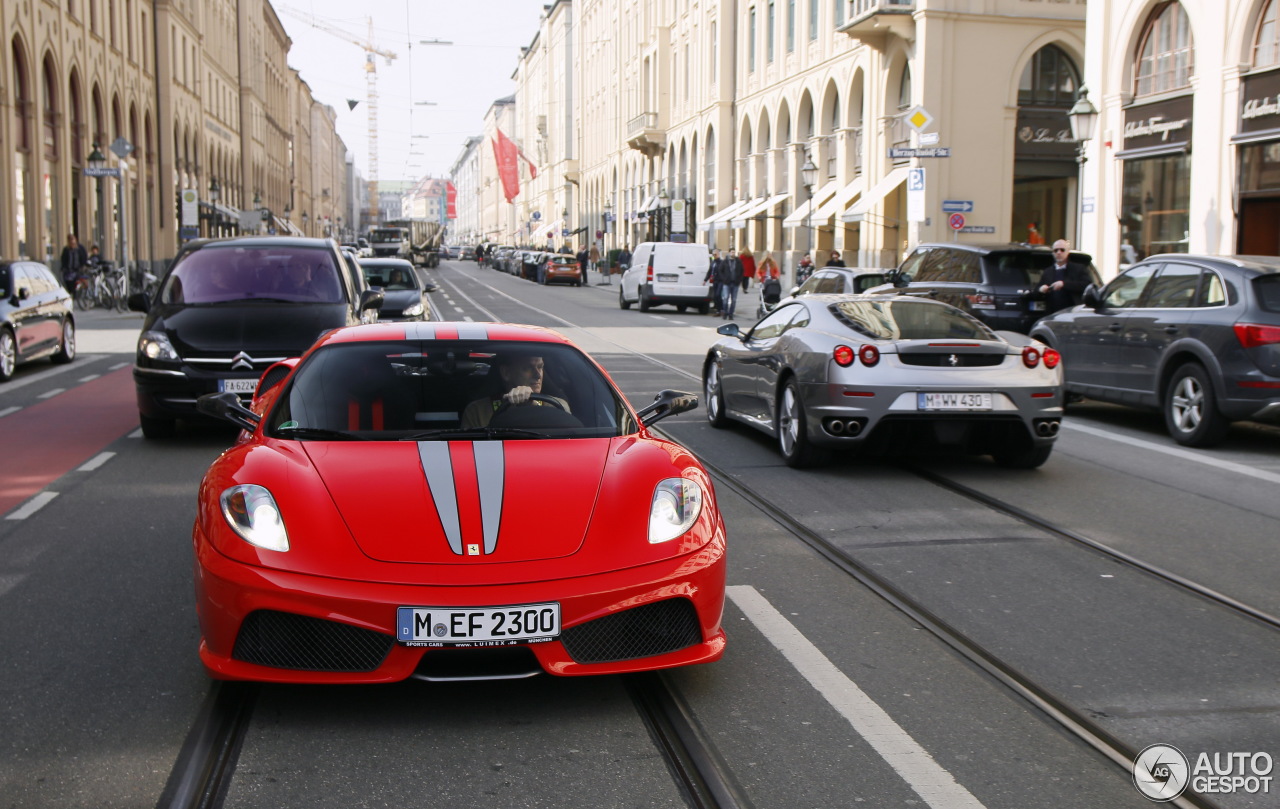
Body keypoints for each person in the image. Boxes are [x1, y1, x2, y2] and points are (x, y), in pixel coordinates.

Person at [460, 353, 569, 428]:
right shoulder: (477, 411)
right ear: (506, 373)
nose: (538, 375)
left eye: (540, 367)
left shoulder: (557, 405)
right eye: (527, 368)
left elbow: (566, 442)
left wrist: (532, 405)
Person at [1033, 239, 1091, 316]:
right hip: (1052, 314)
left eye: (1062, 250)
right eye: (1056, 250)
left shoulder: (1078, 269)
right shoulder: (1048, 272)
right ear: (1053, 253)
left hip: (1073, 313)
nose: (1059, 252)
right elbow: (1036, 291)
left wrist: (1064, 284)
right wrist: (1041, 289)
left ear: (1068, 252)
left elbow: (1087, 284)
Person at [718, 249, 741, 319]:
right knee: (725, 298)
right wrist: (724, 279)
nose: (733, 253)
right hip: (727, 283)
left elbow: (742, 271)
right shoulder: (725, 261)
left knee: (733, 300)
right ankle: (725, 312)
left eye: (734, 252)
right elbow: (720, 270)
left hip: (735, 283)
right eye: (732, 252)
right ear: (729, 253)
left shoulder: (738, 261)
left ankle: (731, 314)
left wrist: (739, 280)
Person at [705, 249, 724, 314]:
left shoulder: (721, 262)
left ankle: (721, 308)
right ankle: (718, 309)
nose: (714, 256)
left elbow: (724, 271)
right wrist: (705, 280)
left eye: (715, 254)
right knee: (715, 296)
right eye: (713, 255)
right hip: (715, 280)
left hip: (720, 280)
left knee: (718, 294)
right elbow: (710, 271)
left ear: (718, 254)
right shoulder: (713, 262)